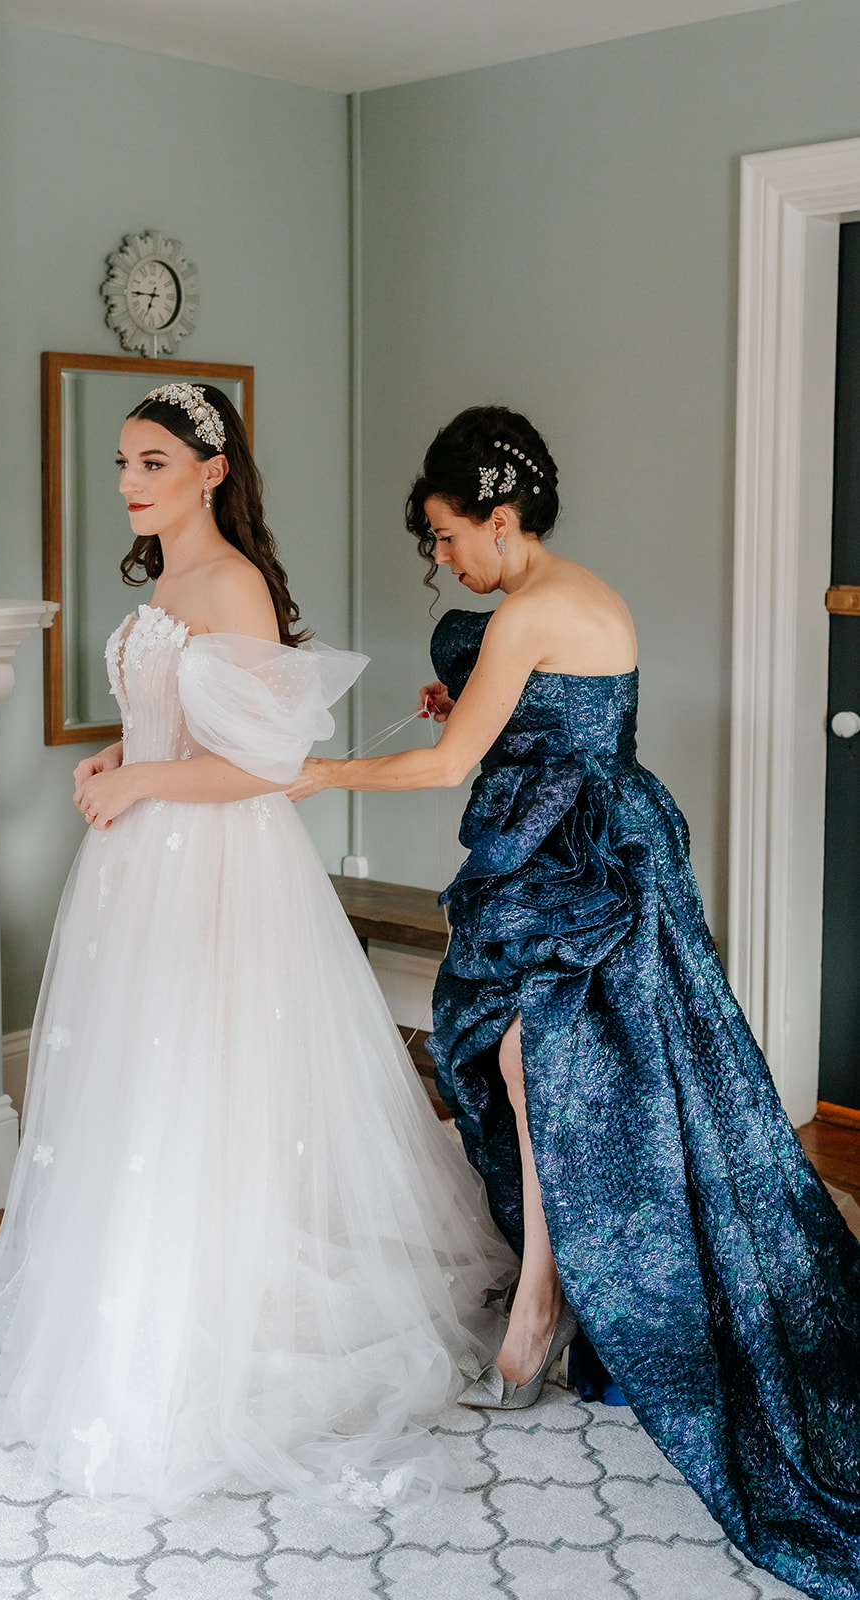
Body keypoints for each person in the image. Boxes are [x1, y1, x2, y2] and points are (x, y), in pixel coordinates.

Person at [287, 405, 860, 1600]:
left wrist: (316, 771)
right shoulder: (548, 601)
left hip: (584, 862)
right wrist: (479, 713)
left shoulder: (539, 607)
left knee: (536, 1063)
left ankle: (542, 1298)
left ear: (499, 518)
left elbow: (452, 767)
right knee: (515, 1058)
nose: (442, 561)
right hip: (567, 842)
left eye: (447, 537)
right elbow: (522, 730)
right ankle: (549, 1279)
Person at [0, 383, 514, 1512]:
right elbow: (177, 722)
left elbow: (261, 766)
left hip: (214, 863)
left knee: (201, 1081)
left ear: (211, 471)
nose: (127, 481)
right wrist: (112, 760)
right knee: (141, 1087)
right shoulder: (166, 577)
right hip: (145, 856)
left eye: (153, 462)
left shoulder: (232, 584)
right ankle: (139, 1292)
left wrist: (142, 777)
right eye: (122, 461)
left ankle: (210, 1317)